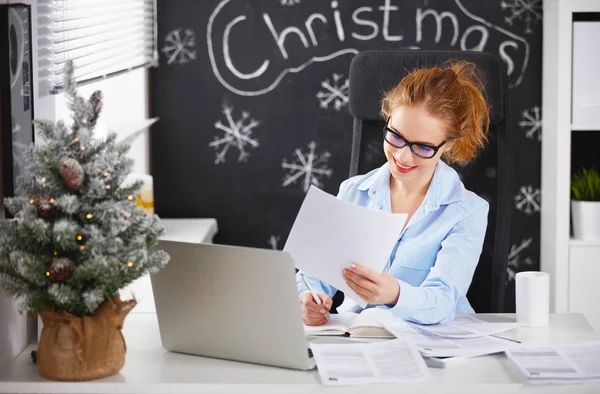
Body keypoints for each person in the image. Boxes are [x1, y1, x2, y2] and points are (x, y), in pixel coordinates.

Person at [297, 60, 491, 326]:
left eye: (422, 147)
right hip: (358, 339)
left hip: (435, 344)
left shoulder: (468, 210)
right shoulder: (354, 192)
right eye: (396, 136)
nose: (402, 156)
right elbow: (315, 274)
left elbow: (443, 301)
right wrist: (310, 296)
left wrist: (396, 294)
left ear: (449, 144)